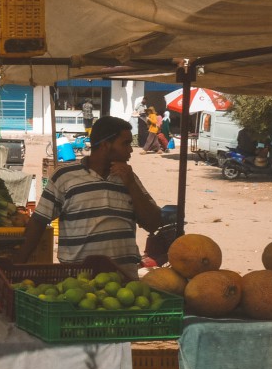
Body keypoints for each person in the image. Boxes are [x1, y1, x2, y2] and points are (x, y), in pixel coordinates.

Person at [15, 116, 162, 280]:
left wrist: (131, 185)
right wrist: (17, 267)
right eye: (125, 143)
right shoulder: (65, 176)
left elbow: (153, 223)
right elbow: (38, 221)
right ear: (106, 145)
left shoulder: (129, 178)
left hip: (124, 283)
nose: (131, 150)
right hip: (77, 282)